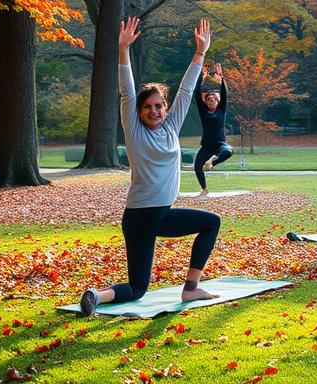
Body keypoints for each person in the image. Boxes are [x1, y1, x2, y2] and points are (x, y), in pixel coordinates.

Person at [79, 17, 222, 315]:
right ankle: (191, 288)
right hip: (148, 215)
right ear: (139, 111)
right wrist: (123, 50)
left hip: (143, 216)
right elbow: (126, 91)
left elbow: (185, 91)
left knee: (137, 288)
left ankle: (95, 295)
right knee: (211, 222)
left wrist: (200, 53)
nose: (154, 110)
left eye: (159, 106)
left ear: (166, 109)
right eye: (147, 107)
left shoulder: (171, 126)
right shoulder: (134, 129)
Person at [192, 63, 233, 194]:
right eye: (208, 100)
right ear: (206, 102)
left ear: (217, 101)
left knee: (229, 151)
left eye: (213, 99)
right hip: (207, 146)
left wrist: (221, 77)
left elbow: (224, 94)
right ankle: (204, 189)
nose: (211, 101)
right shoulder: (203, 111)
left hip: (220, 144)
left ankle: (212, 162)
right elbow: (197, 94)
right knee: (197, 166)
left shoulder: (221, 110)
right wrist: (201, 76)